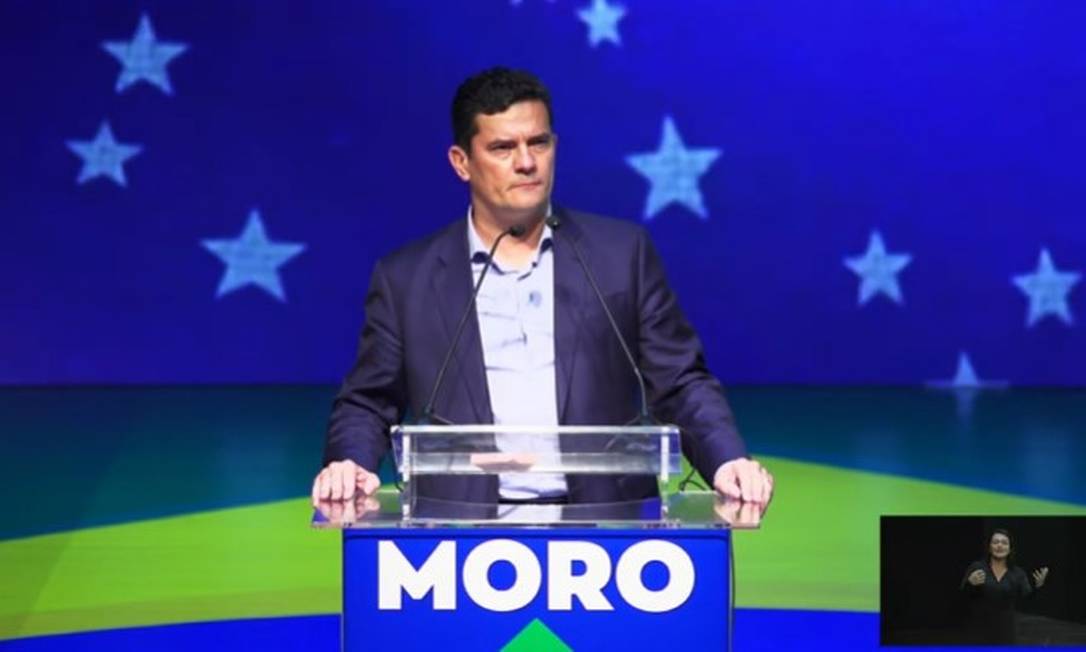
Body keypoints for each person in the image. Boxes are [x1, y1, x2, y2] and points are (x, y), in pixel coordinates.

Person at [312, 66, 773, 508]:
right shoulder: (405, 279)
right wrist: (350, 464)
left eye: (539, 142)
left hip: (606, 523)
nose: (527, 162)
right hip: (459, 526)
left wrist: (727, 459)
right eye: (502, 148)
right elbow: (369, 401)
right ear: (461, 163)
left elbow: (679, 381)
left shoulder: (620, 255)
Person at [960, 528, 1050, 644]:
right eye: (995, 542)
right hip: (978, 630)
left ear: (1010, 548)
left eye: (1004, 543)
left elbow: (1028, 599)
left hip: (1006, 632)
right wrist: (970, 584)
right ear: (989, 547)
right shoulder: (977, 567)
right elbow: (962, 597)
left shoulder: (1018, 573)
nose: (1000, 545)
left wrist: (1038, 586)